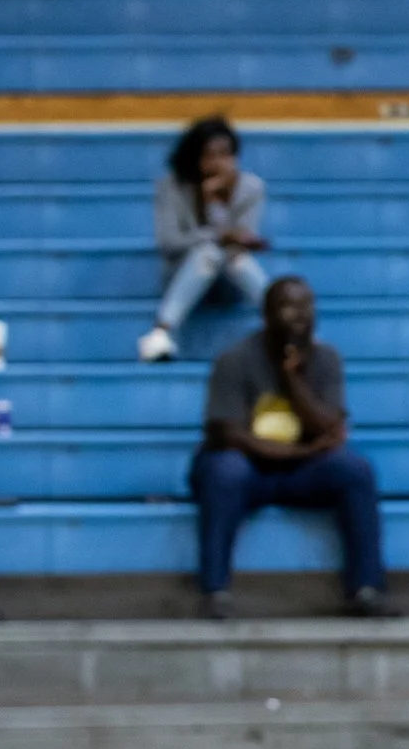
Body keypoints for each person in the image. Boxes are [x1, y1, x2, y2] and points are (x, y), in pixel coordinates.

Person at [191, 277, 389, 620]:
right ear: (266, 314)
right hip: (248, 469)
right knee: (225, 470)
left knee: (356, 471)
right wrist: (307, 451)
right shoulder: (234, 360)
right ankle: (215, 591)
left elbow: (329, 428)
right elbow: (231, 435)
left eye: (307, 306)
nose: (300, 315)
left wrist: (293, 380)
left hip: (300, 473)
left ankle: (366, 589)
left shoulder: (326, 359)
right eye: (288, 306)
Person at [141, 116, 269, 362]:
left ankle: (279, 323)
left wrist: (219, 205)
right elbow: (169, 243)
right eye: (210, 155)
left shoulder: (250, 189)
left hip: (231, 279)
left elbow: (241, 240)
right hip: (183, 275)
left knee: (234, 258)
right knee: (208, 253)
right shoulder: (171, 187)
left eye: (225, 154)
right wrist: (214, 232)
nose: (218, 163)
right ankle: (161, 332)